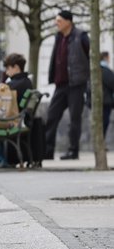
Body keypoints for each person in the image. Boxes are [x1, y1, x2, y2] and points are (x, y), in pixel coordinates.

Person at [45, 10, 90, 160]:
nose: (56, 24)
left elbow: (90, 59)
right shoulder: (58, 37)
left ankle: (73, 151)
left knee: (74, 119)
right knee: (52, 116)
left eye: (59, 21)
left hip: (76, 84)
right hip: (61, 85)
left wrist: (86, 81)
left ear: (68, 21)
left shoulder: (81, 37)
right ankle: (47, 150)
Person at [99, 52, 114, 139]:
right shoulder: (105, 70)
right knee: (104, 122)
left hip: (103, 101)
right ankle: (101, 142)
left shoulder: (98, 69)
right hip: (105, 101)